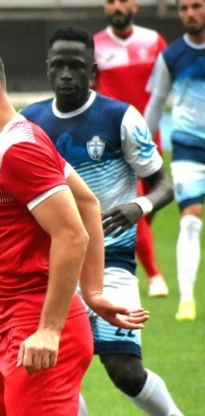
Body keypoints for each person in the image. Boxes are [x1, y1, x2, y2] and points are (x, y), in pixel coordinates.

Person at [0, 35, 148, 416]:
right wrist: (93, 293)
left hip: (38, 333)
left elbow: (72, 233)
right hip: (7, 331)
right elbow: (87, 203)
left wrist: (50, 329)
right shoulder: (23, 136)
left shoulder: (19, 150)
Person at [21, 26, 188, 416]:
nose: (66, 74)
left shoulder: (119, 117)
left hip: (113, 265)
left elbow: (164, 185)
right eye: (58, 65)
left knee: (124, 370)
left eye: (75, 66)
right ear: (47, 68)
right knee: (55, 370)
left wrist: (139, 206)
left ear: (92, 70)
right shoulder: (30, 123)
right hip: (56, 268)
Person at [94, 0, 169, 298]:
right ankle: (154, 275)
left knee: (151, 200)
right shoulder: (96, 45)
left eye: (123, 1)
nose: (117, 7)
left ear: (135, 6)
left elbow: (169, 82)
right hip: (115, 139)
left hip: (150, 136)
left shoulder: (153, 41)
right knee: (134, 200)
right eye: (111, 2)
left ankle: (124, 249)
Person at [145, 0, 205, 322]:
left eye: (197, 6)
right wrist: (140, 147)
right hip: (187, 149)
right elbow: (156, 103)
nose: (190, 14)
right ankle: (187, 299)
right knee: (190, 219)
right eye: (184, 8)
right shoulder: (170, 56)